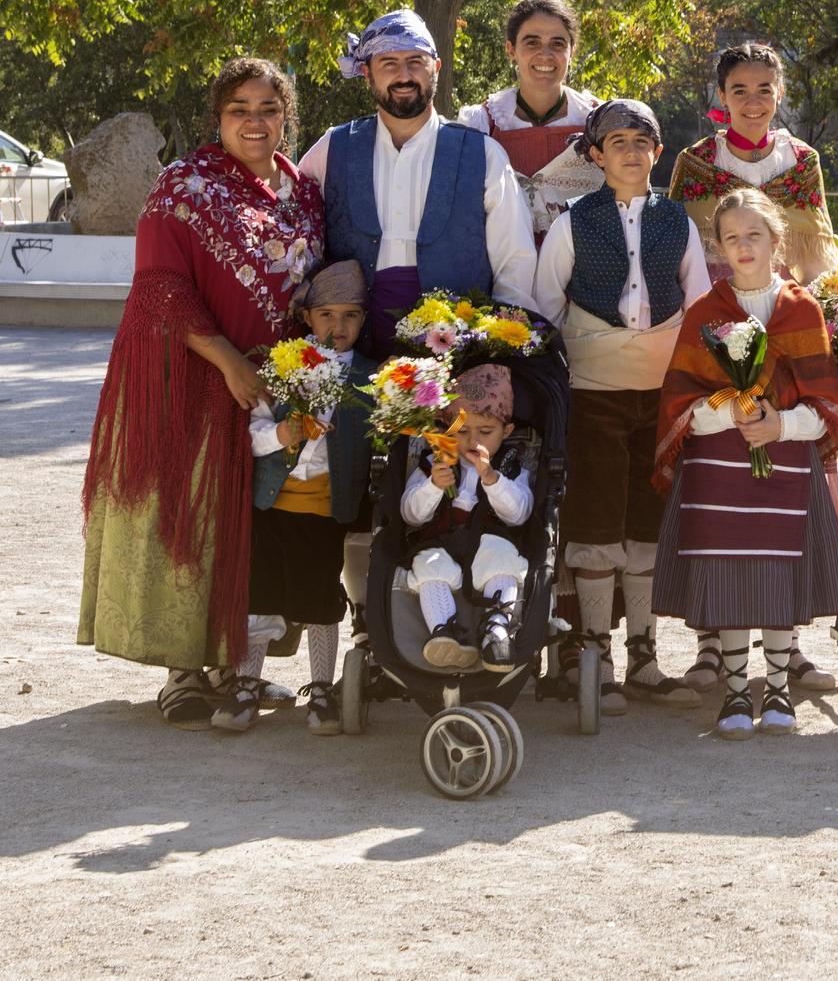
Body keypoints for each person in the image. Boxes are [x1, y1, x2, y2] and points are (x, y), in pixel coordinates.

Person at [79, 57, 325, 730]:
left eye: (268, 107)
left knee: (258, 528)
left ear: (287, 117)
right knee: (190, 521)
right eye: (239, 108)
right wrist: (226, 360)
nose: (255, 120)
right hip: (192, 375)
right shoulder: (184, 185)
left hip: (272, 389)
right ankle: (182, 674)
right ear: (217, 119)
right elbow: (160, 286)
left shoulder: (301, 191)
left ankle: (235, 666)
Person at [531, 99, 712, 714]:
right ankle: (595, 652)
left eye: (643, 140)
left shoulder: (676, 222)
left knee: (647, 510)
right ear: (594, 154)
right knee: (595, 513)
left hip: (659, 392)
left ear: (659, 152)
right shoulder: (571, 223)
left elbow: (700, 304)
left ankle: (643, 650)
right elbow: (544, 305)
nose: (631, 151)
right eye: (617, 142)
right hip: (594, 391)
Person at [653, 189, 838, 738]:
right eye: (732, 237)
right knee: (731, 576)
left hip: (785, 469)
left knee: (776, 574)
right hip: (718, 472)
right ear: (717, 246)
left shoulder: (802, 310)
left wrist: (779, 426)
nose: (743, 246)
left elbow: (826, 406)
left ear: (776, 240)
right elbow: (680, 407)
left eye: (754, 235)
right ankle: (737, 692)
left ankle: (779, 692)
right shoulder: (705, 313)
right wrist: (729, 410)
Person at [300, 8, 540, 353]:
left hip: (458, 354)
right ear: (367, 73)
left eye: (416, 62)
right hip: (349, 350)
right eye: (389, 64)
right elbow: (293, 230)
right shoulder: (332, 148)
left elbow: (514, 260)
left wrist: (500, 349)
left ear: (436, 69)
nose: (404, 75)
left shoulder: (483, 154)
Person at [219, 260, 379, 735]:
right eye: (327, 315)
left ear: (364, 321)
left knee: (319, 600)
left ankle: (323, 690)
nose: (338, 326)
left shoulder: (372, 378)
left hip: (325, 511)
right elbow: (251, 434)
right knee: (259, 595)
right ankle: (247, 685)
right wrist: (283, 433)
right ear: (307, 318)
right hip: (271, 504)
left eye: (350, 316)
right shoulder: (282, 365)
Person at [665, 42, 838, 286]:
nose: (753, 103)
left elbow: (817, 259)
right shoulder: (695, 163)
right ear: (722, 95)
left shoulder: (802, 160)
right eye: (739, 91)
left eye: (764, 90)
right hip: (714, 302)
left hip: (785, 306)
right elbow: (674, 252)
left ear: (780, 92)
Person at [399, 364, 534, 672]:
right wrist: (433, 486)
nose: (473, 440)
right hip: (440, 542)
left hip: (491, 541)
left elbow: (519, 514)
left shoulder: (511, 467)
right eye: (461, 432)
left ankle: (497, 628)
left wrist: (492, 479)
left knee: (503, 561)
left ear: (506, 432)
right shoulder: (433, 463)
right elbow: (411, 514)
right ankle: (445, 632)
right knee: (428, 566)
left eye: (485, 432)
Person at [458, 0, 604, 241]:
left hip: (584, 272)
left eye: (558, 43)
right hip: (504, 271)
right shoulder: (481, 123)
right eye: (532, 42)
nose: (545, 54)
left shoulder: (599, 120)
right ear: (511, 50)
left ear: (572, 51)